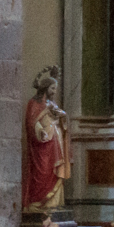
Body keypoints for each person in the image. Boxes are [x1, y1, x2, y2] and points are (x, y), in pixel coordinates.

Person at [23, 66, 71, 212]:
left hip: (55, 142)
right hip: (43, 144)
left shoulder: (52, 104)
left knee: (54, 171)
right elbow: (31, 122)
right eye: (52, 88)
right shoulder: (34, 103)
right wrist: (40, 131)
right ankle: (39, 202)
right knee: (42, 171)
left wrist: (63, 117)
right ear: (45, 88)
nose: (54, 91)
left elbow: (61, 118)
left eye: (55, 88)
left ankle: (54, 203)